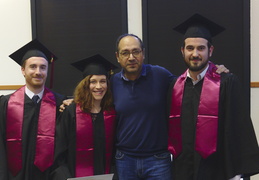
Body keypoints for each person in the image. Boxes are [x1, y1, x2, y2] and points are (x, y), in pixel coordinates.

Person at [59, 34, 228, 180]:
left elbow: (190, 85)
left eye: (136, 51)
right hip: (124, 159)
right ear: (118, 57)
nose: (131, 57)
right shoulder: (113, 83)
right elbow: (95, 97)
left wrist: (213, 70)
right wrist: (74, 102)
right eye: (125, 53)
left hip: (158, 160)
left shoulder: (160, 75)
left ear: (143, 54)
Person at [168, 13, 259, 180]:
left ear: (210, 50)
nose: (195, 54)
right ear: (182, 51)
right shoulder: (174, 86)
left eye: (201, 48)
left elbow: (238, 130)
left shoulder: (226, 82)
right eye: (190, 48)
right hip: (183, 171)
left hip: (217, 171)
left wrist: (236, 173)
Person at [0, 39, 66, 180]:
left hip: (48, 175)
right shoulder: (6, 103)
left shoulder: (59, 103)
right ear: (23, 70)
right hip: (14, 176)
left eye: (43, 67)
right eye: (33, 67)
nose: (38, 72)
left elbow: (63, 147)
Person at [52, 54, 117, 179]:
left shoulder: (112, 114)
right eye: (93, 81)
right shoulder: (70, 112)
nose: (98, 86)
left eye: (103, 81)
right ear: (85, 85)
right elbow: (59, 153)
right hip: (74, 176)